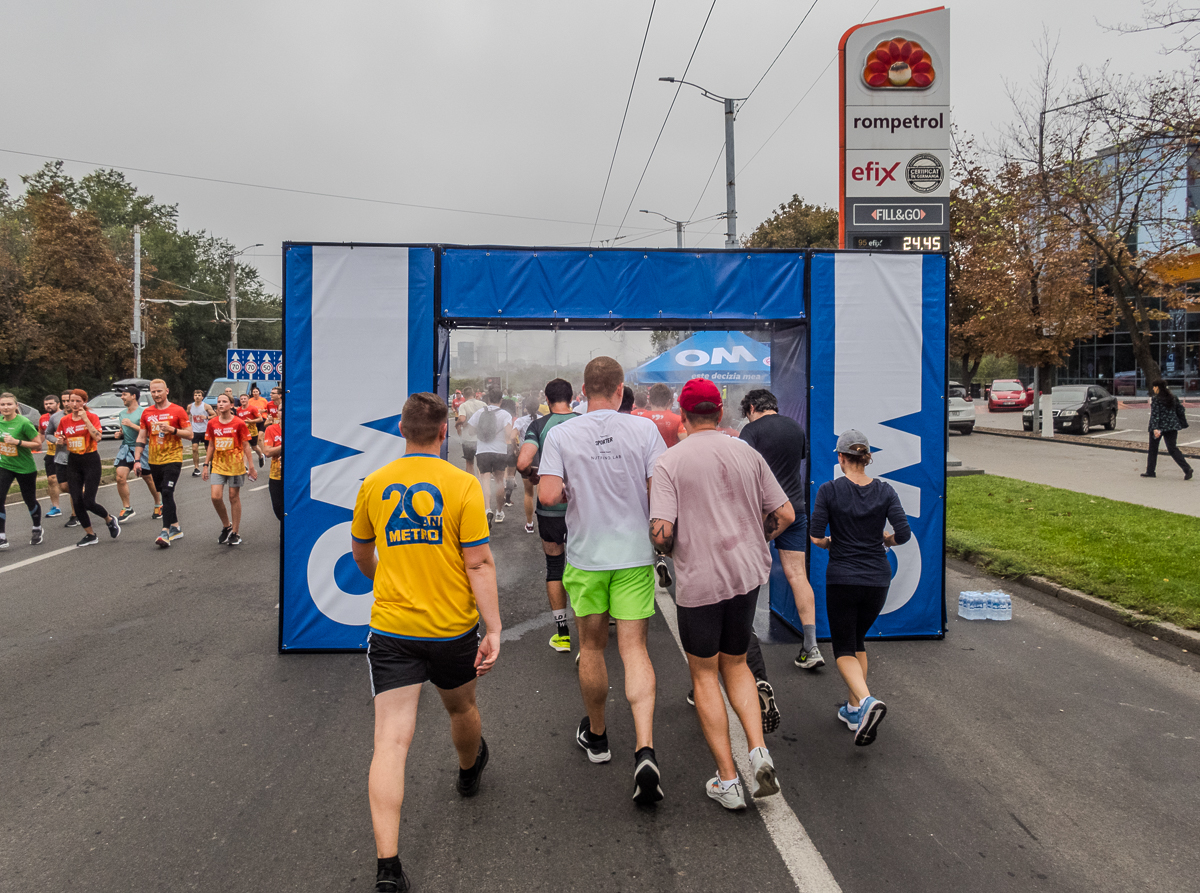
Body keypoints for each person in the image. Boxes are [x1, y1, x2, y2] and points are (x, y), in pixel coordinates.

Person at [350, 392, 501, 893]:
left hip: (392, 630)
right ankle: (467, 770)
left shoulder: (373, 483)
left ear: (400, 428)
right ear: (443, 433)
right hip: (452, 628)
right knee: (461, 710)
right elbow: (478, 562)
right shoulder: (462, 485)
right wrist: (494, 627)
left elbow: (362, 552)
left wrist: (385, 578)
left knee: (391, 741)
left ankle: (388, 867)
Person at [649, 378, 793, 809]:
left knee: (705, 674)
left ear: (684, 413)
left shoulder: (669, 463)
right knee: (737, 665)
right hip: (746, 575)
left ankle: (728, 780)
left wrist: (668, 545)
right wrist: (757, 538)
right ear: (721, 412)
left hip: (702, 581)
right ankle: (758, 751)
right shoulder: (746, 452)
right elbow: (783, 513)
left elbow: (662, 534)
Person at [538, 357, 667, 806]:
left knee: (591, 647)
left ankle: (598, 737)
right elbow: (660, 490)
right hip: (633, 554)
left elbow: (548, 495)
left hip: (587, 556)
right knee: (635, 649)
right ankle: (645, 748)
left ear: (582, 391)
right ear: (619, 390)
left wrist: (574, 486)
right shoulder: (644, 430)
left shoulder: (562, 433)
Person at [810, 429, 911, 747]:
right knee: (858, 642)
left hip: (843, 578)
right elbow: (904, 534)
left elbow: (815, 537)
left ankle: (866, 701)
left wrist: (829, 544)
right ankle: (854, 710)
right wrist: (886, 540)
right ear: (866, 458)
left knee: (842, 649)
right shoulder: (885, 490)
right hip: (877, 580)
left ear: (841, 458)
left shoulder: (829, 490)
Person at [738, 388, 824, 670]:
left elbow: (745, 472)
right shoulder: (795, 428)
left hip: (762, 512)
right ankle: (811, 645)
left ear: (751, 407)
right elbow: (793, 464)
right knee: (798, 575)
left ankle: (740, 639)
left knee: (746, 575)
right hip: (795, 509)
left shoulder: (751, 432)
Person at [516, 379, 579, 652]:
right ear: (572, 397)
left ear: (547, 398)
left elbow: (522, 463)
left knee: (555, 566)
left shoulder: (539, 426)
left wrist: (534, 475)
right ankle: (596, 628)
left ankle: (562, 633)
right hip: (582, 508)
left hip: (551, 509)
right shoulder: (584, 422)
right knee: (587, 565)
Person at [58, 389, 121, 547]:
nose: (74, 404)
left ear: (84, 402)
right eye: (71, 401)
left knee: (88, 501)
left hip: (90, 460)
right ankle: (90, 534)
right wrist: (60, 440)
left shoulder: (91, 417)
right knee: (77, 500)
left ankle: (109, 519)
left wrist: (86, 420)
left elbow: (98, 437)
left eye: (78, 401)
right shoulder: (65, 420)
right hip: (73, 461)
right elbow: (60, 438)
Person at [136, 379, 192, 548]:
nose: (156, 394)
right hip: (154, 459)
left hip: (173, 457)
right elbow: (141, 437)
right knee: (166, 494)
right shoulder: (147, 412)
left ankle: (165, 531)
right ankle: (175, 527)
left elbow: (189, 434)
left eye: (159, 391)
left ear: (167, 391)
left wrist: (172, 430)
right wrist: (137, 460)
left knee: (167, 491)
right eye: (153, 392)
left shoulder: (177, 410)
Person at [203, 394, 257, 545]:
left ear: (231, 405)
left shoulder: (239, 423)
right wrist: (206, 465)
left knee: (233, 497)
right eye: (219, 402)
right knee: (215, 497)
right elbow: (211, 445)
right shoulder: (212, 423)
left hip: (235, 466)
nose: (220, 404)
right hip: (218, 465)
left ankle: (235, 532)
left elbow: (246, 445)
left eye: (224, 401)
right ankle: (227, 526)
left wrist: (251, 467)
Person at [0, 392, 45, 549]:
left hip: (25, 468)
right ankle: (2, 536)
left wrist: (16, 442)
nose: (5, 407)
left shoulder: (24, 422)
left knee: (29, 499)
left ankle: (37, 527)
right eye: (2, 404)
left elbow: (38, 444)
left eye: (9, 404)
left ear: (16, 406)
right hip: (5, 465)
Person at [113, 385, 162, 521]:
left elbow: (150, 432)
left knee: (148, 478)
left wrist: (131, 425)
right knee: (120, 477)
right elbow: (124, 431)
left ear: (133, 396)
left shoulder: (144, 412)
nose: (122, 397)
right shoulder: (122, 413)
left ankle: (159, 504)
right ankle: (127, 507)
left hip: (142, 449)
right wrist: (120, 433)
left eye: (124, 394)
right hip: (126, 449)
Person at [467, 388, 512, 525]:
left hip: (482, 451)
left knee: (485, 480)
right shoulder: (505, 414)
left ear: (487, 400)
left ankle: (487, 509)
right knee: (499, 481)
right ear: (501, 400)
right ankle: (499, 512)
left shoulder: (479, 413)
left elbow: (470, 431)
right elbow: (509, 434)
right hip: (499, 451)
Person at [1142, 380, 1193, 480]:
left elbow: (1155, 414)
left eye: (1154, 387)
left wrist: (1155, 428)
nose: (1153, 388)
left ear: (1157, 387)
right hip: (1172, 426)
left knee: (1153, 449)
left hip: (1159, 427)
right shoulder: (1173, 398)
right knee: (1172, 448)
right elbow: (1181, 410)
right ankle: (1187, 468)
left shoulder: (1156, 399)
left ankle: (1150, 471)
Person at [511, 394, 539, 533]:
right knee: (543, 491)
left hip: (526, 457)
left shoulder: (520, 421)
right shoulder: (543, 420)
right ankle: (544, 519)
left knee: (529, 493)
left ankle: (529, 524)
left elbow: (512, 436)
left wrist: (516, 450)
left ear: (526, 407)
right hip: (543, 457)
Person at [38, 395, 65, 518]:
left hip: (65, 453)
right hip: (51, 453)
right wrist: (37, 444)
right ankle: (55, 507)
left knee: (67, 483)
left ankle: (80, 503)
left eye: (50, 403)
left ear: (58, 404)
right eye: (46, 404)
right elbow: (42, 433)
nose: (48, 406)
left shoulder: (64, 416)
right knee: (51, 479)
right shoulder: (43, 418)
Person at [54, 390, 77, 526]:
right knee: (64, 487)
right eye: (64, 401)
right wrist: (56, 440)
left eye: (69, 400)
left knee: (74, 485)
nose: (67, 403)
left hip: (78, 457)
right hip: (61, 457)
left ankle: (75, 514)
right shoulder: (57, 418)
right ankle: (83, 495)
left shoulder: (84, 417)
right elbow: (49, 434)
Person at [456, 392, 487, 478]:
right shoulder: (483, 404)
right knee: (481, 463)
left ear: (464, 396)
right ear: (473, 395)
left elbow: (462, 418)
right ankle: (482, 483)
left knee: (469, 462)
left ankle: (472, 483)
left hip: (468, 438)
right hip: (481, 438)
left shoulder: (464, 405)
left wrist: (457, 424)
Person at [263, 397, 284, 522]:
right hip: (276, 476)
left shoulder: (298, 431)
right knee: (278, 510)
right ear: (277, 412)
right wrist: (285, 446)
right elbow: (267, 452)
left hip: (294, 477)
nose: (283, 412)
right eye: (281, 410)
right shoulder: (271, 429)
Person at [189, 389, 215, 477]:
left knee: (208, 449)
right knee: (194, 449)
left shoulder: (206, 406)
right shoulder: (190, 406)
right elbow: (186, 415)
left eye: (199, 395)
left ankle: (211, 465)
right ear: (193, 397)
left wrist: (206, 417)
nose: (197, 397)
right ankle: (196, 468)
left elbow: (215, 415)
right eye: (196, 395)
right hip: (195, 431)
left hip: (205, 430)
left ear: (202, 397)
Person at [236, 393, 266, 468]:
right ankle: (245, 466)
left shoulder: (252, 408)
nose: (243, 400)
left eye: (244, 399)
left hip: (252, 431)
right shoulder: (238, 410)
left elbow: (260, 419)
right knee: (244, 447)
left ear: (248, 400)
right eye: (241, 399)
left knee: (254, 447)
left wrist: (251, 421)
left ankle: (261, 455)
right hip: (243, 432)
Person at [500, 397, 519, 508]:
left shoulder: (499, 417)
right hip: (511, 446)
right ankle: (508, 499)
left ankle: (501, 496)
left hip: (500, 446)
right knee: (511, 474)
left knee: (501, 474)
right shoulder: (515, 419)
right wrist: (516, 448)